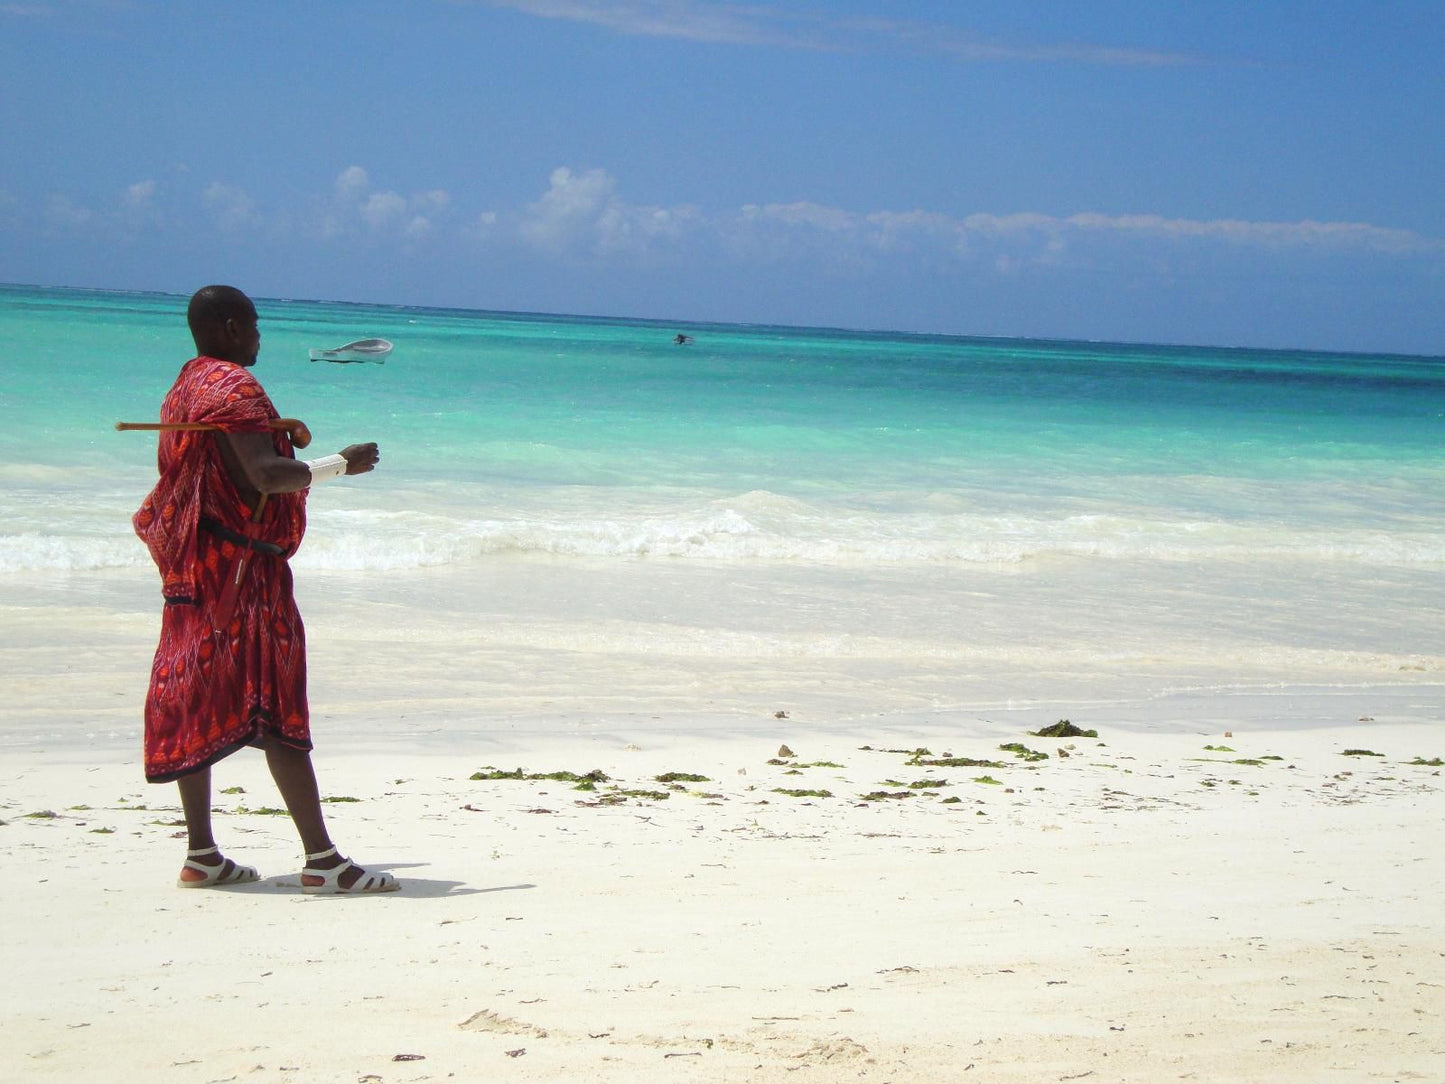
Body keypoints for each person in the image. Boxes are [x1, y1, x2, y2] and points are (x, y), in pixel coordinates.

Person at [132, 285, 398, 894]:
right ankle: (323, 860)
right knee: (278, 704)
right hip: (244, 574)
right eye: (253, 327)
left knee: (192, 693)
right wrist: (340, 463)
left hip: (194, 570)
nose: (260, 338)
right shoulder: (234, 387)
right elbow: (266, 475)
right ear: (229, 327)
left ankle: (202, 854)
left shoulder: (186, 387)